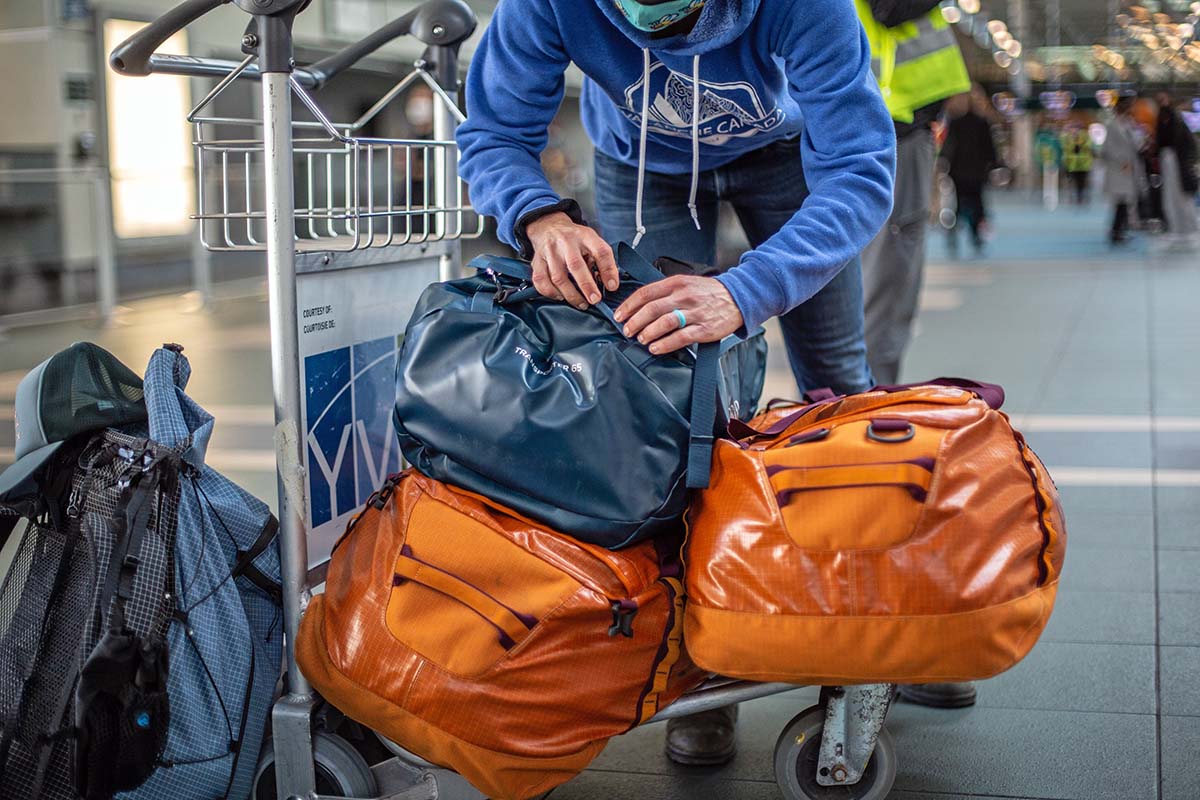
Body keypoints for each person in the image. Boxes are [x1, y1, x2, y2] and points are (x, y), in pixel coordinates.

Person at [457, 0, 896, 766]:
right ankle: (700, 662)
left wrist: (742, 292)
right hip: (643, 165)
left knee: (840, 394)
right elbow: (494, 132)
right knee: (666, 411)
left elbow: (859, 171)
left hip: (792, 161)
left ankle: (882, 642)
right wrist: (539, 218)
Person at [855, 0, 978, 712]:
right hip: (872, 125)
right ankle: (865, 637)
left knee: (864, 354)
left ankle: (864, 627)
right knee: (866, 360)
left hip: (871, 122)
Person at [941, 88, 998, 255]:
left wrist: (945, 163)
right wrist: (993, 165)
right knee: (977, 205)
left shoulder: (956, 122)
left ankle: (954, 233)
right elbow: (990, 148)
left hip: (959, 171)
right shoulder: (982, 123)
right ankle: (975, 236)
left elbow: (949, 146)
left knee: (960, 204)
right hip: (977, 172)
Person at [1154, 92, 1199, 243]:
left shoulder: (1175, 119)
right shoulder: (1169, 118)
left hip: (1176, 162)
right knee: (1174, 197)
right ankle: (1179, 227)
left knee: (1180, 197)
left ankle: (1185, 227)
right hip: (1173, 161)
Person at [1102, 95, 1144, 245]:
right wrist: (1122, 161)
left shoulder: (1129, 123)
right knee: (1120, 201)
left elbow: (1136, 143)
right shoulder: (1112, 125)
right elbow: (1107, 149)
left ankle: (1121, 230)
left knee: (1126, 201)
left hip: (1130, 168)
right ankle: (1116, 231)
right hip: (1119, 169)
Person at [1061, 123, 1094, 205]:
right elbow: (1065, 147)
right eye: (1072, 128)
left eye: (1075, 128)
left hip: (1083, 165)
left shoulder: (1085, 137)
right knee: (1071, 181)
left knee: (1081, 182)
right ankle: (1071, 196)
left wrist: (1080, 145)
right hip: (1071, 165)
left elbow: (1089, 146)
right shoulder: (1067, 137)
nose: (1074, 130)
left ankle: (1080, 197)